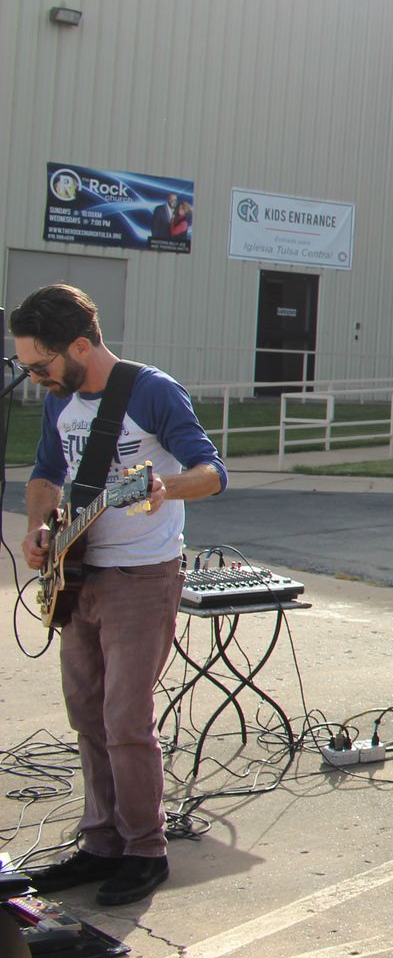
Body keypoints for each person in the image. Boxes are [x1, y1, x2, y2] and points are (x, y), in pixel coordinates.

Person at [10, 283, 227, 906]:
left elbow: (213, 473)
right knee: (85, 712)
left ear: (80, 345)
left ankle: (145, 849)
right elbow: (48, 473)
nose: (36, 377)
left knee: (124, 719)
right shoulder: (61, 399)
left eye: (42, 365)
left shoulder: (150, 391)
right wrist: (38, 530)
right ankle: (101, 842)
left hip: (141, 577)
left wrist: (164, 487)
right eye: (27, 366)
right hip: (77, 576)